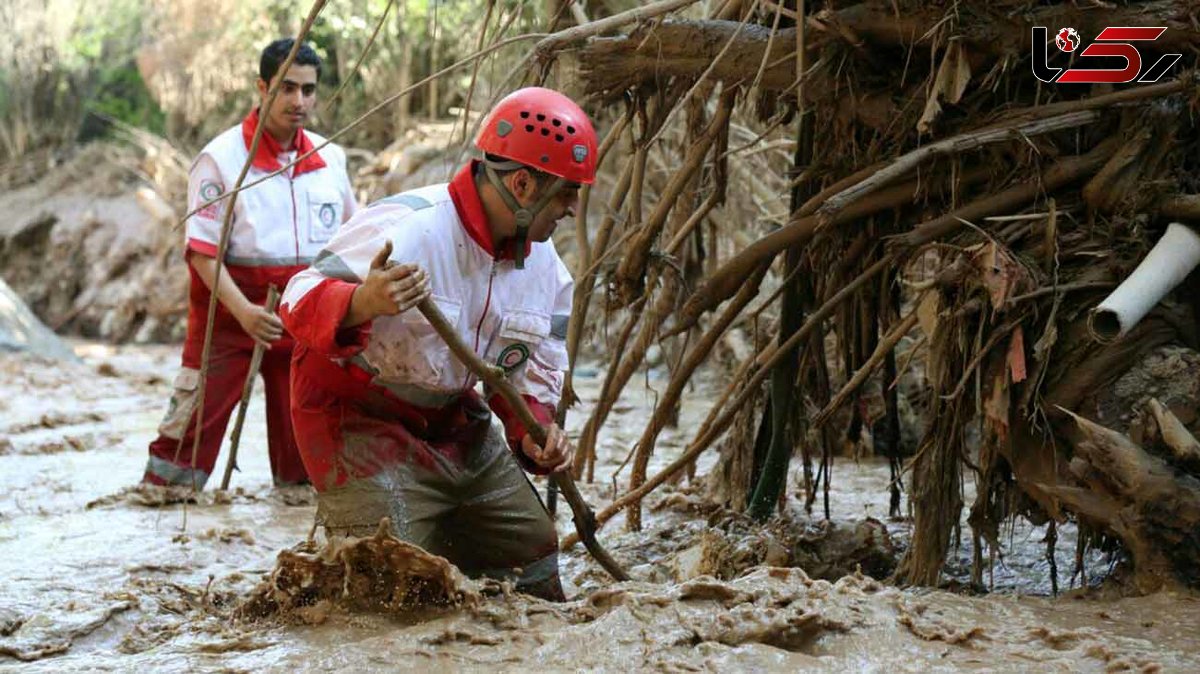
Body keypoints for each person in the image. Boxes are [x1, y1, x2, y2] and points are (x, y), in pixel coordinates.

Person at [279, 87, 597, 600]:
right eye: (565, 194)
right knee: (392, 573)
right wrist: (363, 301)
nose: (572, 207)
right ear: (521, 183)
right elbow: (298, 298)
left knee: (532, 548)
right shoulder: (407, 226)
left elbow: (527, 378)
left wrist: (534, 432)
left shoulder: (548, 275)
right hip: (354, 415)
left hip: (450, 417)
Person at [142, 39, 358, 489]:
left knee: (303, 468)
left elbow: (352, 241)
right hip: (228, 318)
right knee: (179, 458)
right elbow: (202, 252)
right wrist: (244, 312)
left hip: (301, 322)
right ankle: (164, 517)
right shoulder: (220, 160)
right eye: (287, 88)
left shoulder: (330, 159)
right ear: (263, 87)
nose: (299, 101)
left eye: (308, 90)